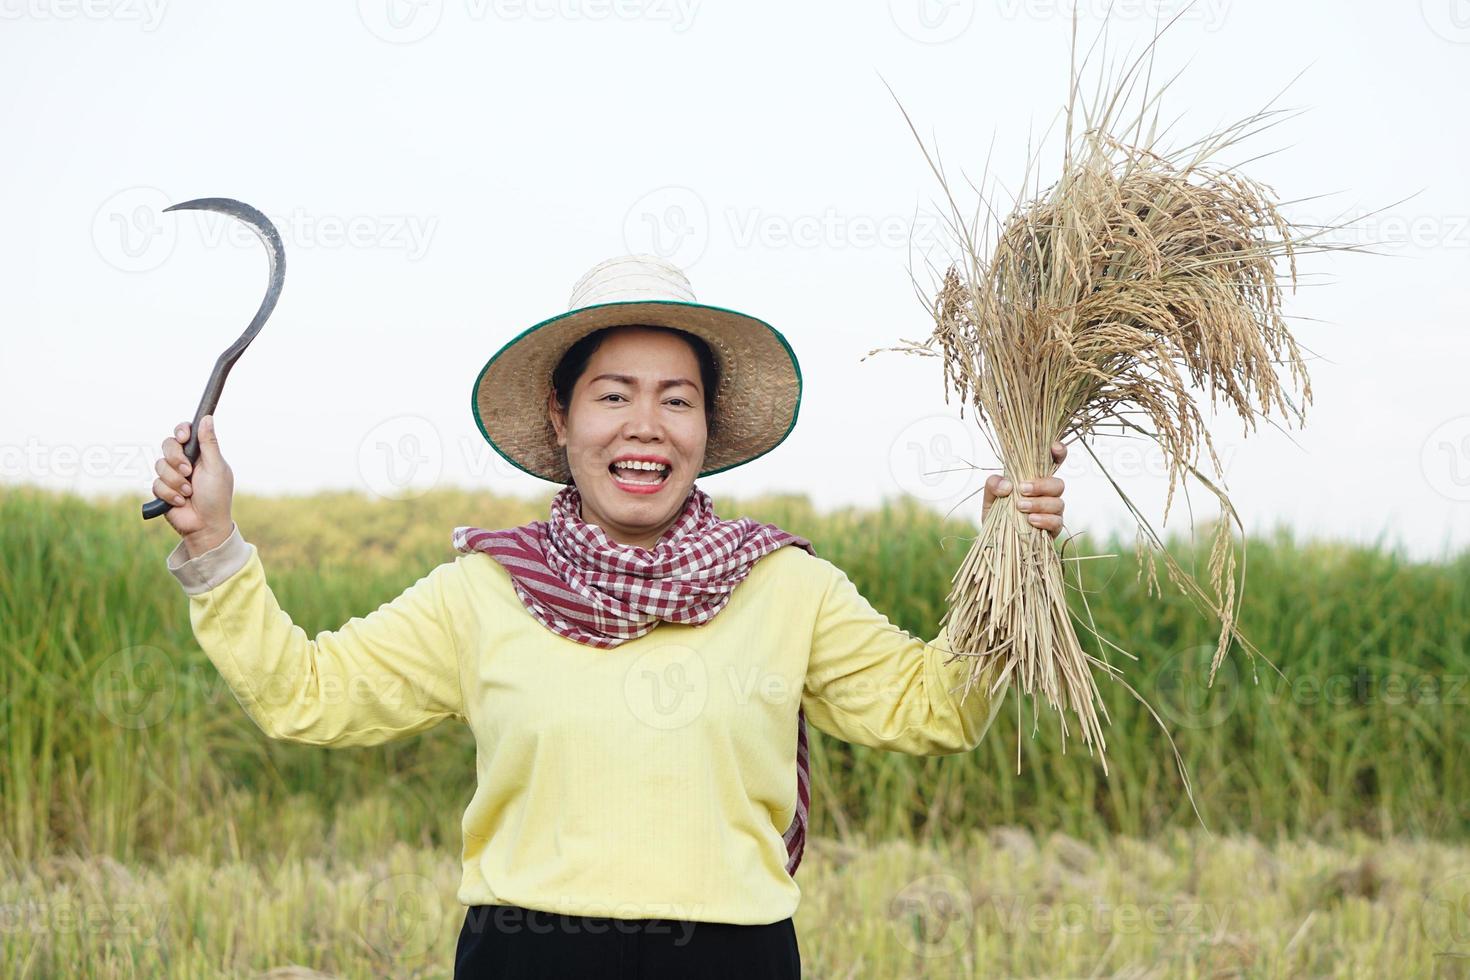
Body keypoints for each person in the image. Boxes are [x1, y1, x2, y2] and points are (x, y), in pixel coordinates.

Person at [152, 254, 1067, 978]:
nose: (646, 424)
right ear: (561, 417)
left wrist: (1008, 560)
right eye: (613, 394)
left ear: (706, 429)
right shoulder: (486, 588)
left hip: (732, 959)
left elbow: (932, 707)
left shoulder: (783, 584)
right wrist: (216, 540)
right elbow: (306, 694)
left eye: (678, 399)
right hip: (526, 955)